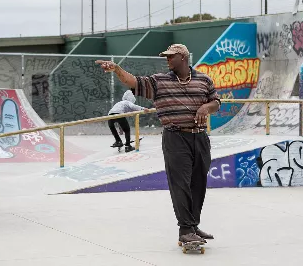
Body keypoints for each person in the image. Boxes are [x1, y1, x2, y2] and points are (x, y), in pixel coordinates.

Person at [95, 44, 221, 245]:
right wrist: (117, 69)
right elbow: (132, 81)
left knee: (198, 183)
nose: (167, 60)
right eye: (166, 57)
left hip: (200, 137)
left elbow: (216, 101)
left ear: (183, 57)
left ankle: (193, 225)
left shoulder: (203, 80)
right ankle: (185, 230)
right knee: (180, 184)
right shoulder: (158, 81)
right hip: (175, 137)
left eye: (171, 57)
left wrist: (206, 107)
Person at [107, 88, 146, 152]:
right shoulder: (127, 102)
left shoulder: (119, 103)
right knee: (127, 130)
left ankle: (118, 141)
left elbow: (117, 118)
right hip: (119, 114)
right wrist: (143, 109)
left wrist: (120, 128)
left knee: (112, 128)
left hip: (109, 115)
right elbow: (134, 107)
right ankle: (128, 146)